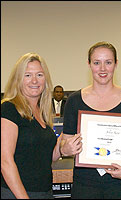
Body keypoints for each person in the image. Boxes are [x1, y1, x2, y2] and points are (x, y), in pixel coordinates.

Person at [60, 41, 121, 199]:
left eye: (108, 62)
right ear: (89, 64)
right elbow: (65, 142)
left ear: (116, 64)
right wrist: (66, 149)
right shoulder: (74, 100)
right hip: (85, 185)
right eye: (97, 63)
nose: (103, 69)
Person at [1, 52, 64, 199]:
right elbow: (5, 161)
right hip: (16, 194)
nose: (34, 80)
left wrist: (64, 141)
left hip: (45, 192)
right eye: (27, 75)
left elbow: (47, 157)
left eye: (40, 75)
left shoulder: (42, 112)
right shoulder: (9, 109)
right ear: (18, 79)